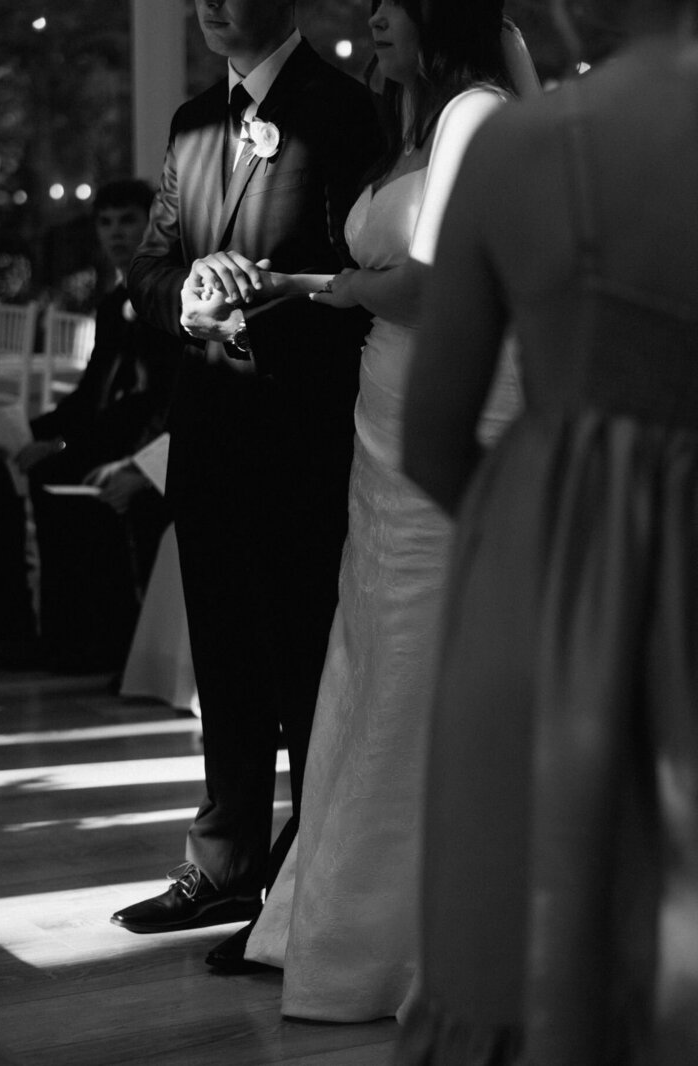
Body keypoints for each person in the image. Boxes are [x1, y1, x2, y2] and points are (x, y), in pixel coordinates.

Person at [210, 0, 533, 1020]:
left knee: (413, 660)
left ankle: (404, 943)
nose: (374, 20)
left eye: (392, 6)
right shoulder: (419, 124)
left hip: (445, 409)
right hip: (382, 421)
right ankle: (328, 919)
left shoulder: (475, 114)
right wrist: (305, 283)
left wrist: (341, 292)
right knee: (370, 660)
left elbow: (439, 284)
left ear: (442, 17)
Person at [399, 0, 698, 1060]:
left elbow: (431, 438)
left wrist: (559, 543)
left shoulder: (519, 147)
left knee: (541, 942)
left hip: (547, 590)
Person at [109, 0, 379, 951]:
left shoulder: (349, 111)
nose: (211, 5)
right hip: (209, 438)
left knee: (304, 665)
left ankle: (304, 889)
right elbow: (146, 266)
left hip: (302, 438)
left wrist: (263, 293)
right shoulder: (190, 123)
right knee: (221, 659)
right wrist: (186, 293)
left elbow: (368, 275)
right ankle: (224, 865)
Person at [0, 179, 180, 672]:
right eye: (105, 223)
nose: (115, 233)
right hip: (107, 430)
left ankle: (74, 635)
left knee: (53, 472)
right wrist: (33, 430)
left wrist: (60, 443)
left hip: (143, 441)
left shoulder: (163, 297)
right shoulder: (113, 306)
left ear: (154, 222)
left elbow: (146, 402)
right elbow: (93, 393)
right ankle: (6, 612)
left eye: (128, 220)